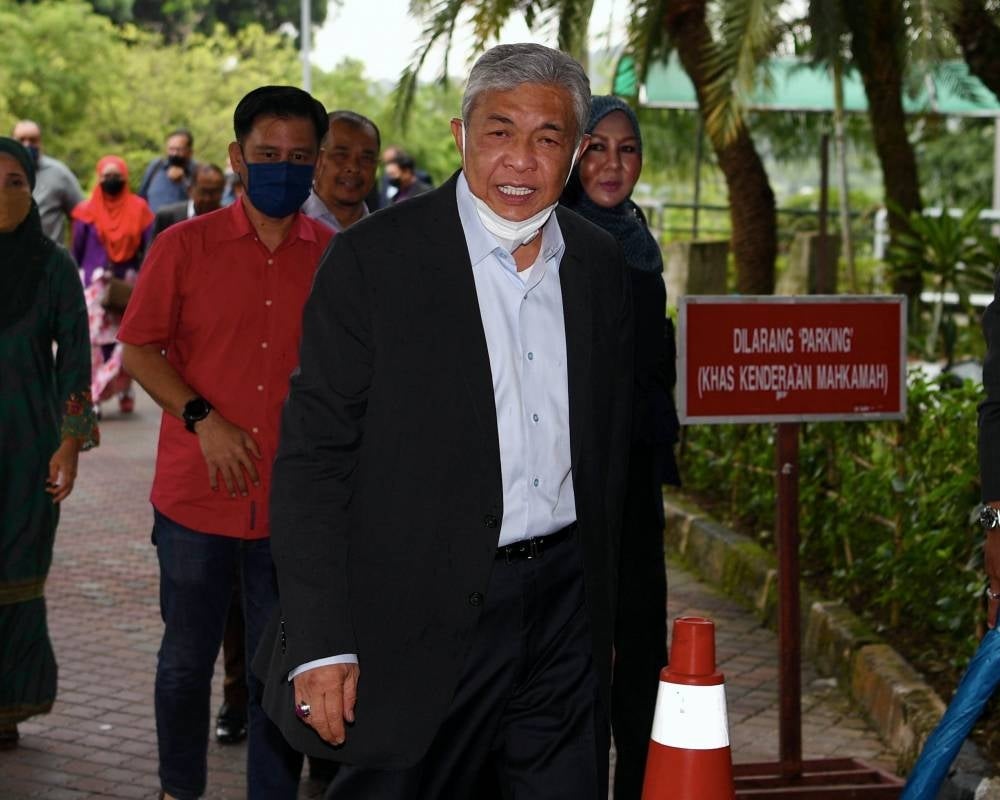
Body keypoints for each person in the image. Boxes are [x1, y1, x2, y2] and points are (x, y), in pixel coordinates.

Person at [257, 43, 633, 799]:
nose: (521, 160)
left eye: (548, 138)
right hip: (417, 615)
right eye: (499, 132)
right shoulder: (374, 261)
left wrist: (607, 617)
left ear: (575, 152)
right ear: (461, 137)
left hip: (563, 609)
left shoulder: (598, 266)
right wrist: (321, 642)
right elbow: (314, 460)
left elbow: (612, 454)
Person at [118, 85, 332, 800]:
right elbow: (139, 349)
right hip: (196, 500)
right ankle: (178, 789)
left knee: (280, 675)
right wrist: (203, 418)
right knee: (185, 664)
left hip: (292, 510)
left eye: (299, 157)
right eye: (268, 154)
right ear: (238, 157)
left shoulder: (337, 258)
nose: (283, 168)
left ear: (316, 162)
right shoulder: (182, 246)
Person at [562, 95, 681, 800]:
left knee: (640, 653)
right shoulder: (555, 239)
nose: (612, 163)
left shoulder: (638, 240)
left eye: (627, 148)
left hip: (635, 476)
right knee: (575, 659)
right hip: (572, 480)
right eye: (596, 147)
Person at [0, 137, 99, 750]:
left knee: (16, 575)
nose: (3, 194)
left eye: (15, 182)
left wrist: (70, 444)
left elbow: (76, 362)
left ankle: (8, 705)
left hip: (26, 447)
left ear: (33, 188)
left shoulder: (53, 265)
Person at [71, 156, 154, 416]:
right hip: (94, 287)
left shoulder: (139, 209)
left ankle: (124, 389)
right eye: (106, 176)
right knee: (96, 343)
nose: (111, 180)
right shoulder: (85, 211)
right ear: (99, 178)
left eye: (116, 175)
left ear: (125, 177)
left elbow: (149, 248)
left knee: (124, 341)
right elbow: (77, 251)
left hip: (126, 286)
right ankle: (95, 394)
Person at [301, 110, 380, 232]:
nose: (353, 167)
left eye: (366, 158)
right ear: (316, 159)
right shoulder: (284, 224)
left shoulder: (387, 232)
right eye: (341, 155)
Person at [12, 119, 85, 243]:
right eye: (21, 140)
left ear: (40, 142)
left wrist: (75, 250)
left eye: (33, 140)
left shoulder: (59, 174)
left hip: (48, 253)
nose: (27, 145)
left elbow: (82, 216)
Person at [151, 163, 226, 239]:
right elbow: (155, 246)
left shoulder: (229, 219)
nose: (208, 199)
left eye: (214, 192)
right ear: (190, 190)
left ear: (223, 191)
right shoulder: (167, 217)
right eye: (203, 192)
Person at [138, 128, 197, 213]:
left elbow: (202, 203)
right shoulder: (156, 166)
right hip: (154, 220)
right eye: (171, 149)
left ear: (190, 152)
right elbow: (141, 197)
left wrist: (184, 180)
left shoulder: (197, 172)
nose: (174, 154)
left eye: (179, 150)